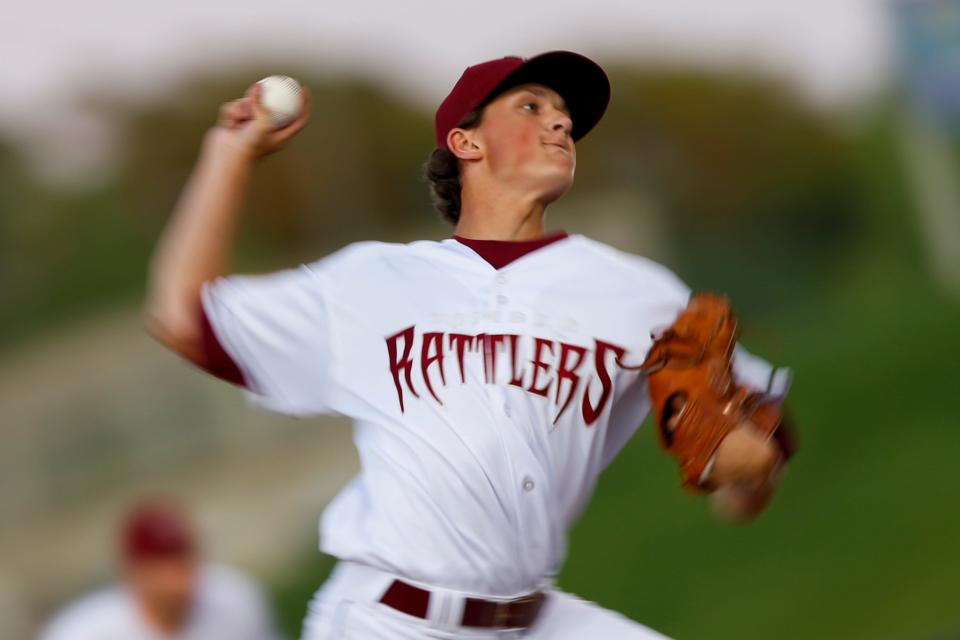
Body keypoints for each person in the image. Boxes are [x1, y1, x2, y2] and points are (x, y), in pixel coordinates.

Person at [143, 50, 793, 639]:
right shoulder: (373, 280)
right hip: (387, 622)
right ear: (465, 141)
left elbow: (753, 436)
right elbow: (183, 317)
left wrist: (746, 474)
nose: (561, 124)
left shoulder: (639, 294)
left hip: (534, 618)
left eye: (566, 116)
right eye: (532, 107)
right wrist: (229, 154)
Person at [39, 499, 279, 640]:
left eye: (181, 557)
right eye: (160, 563)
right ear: (132, 569)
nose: (176, 575)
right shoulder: (81, 632)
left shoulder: (236, 598)